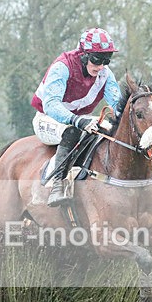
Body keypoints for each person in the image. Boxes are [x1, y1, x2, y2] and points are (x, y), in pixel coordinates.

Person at [31, 27, 123, 207]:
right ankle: (57, 184)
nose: (101, 65)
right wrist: (77, 120)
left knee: (108, 129)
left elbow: (118, 106)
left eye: (107, 59)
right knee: (72, 131)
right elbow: (51, 105)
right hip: (48, 118)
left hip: (79, 118)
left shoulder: (105, 74)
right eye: (97, 59)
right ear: (84, 54)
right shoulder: (62, 67)